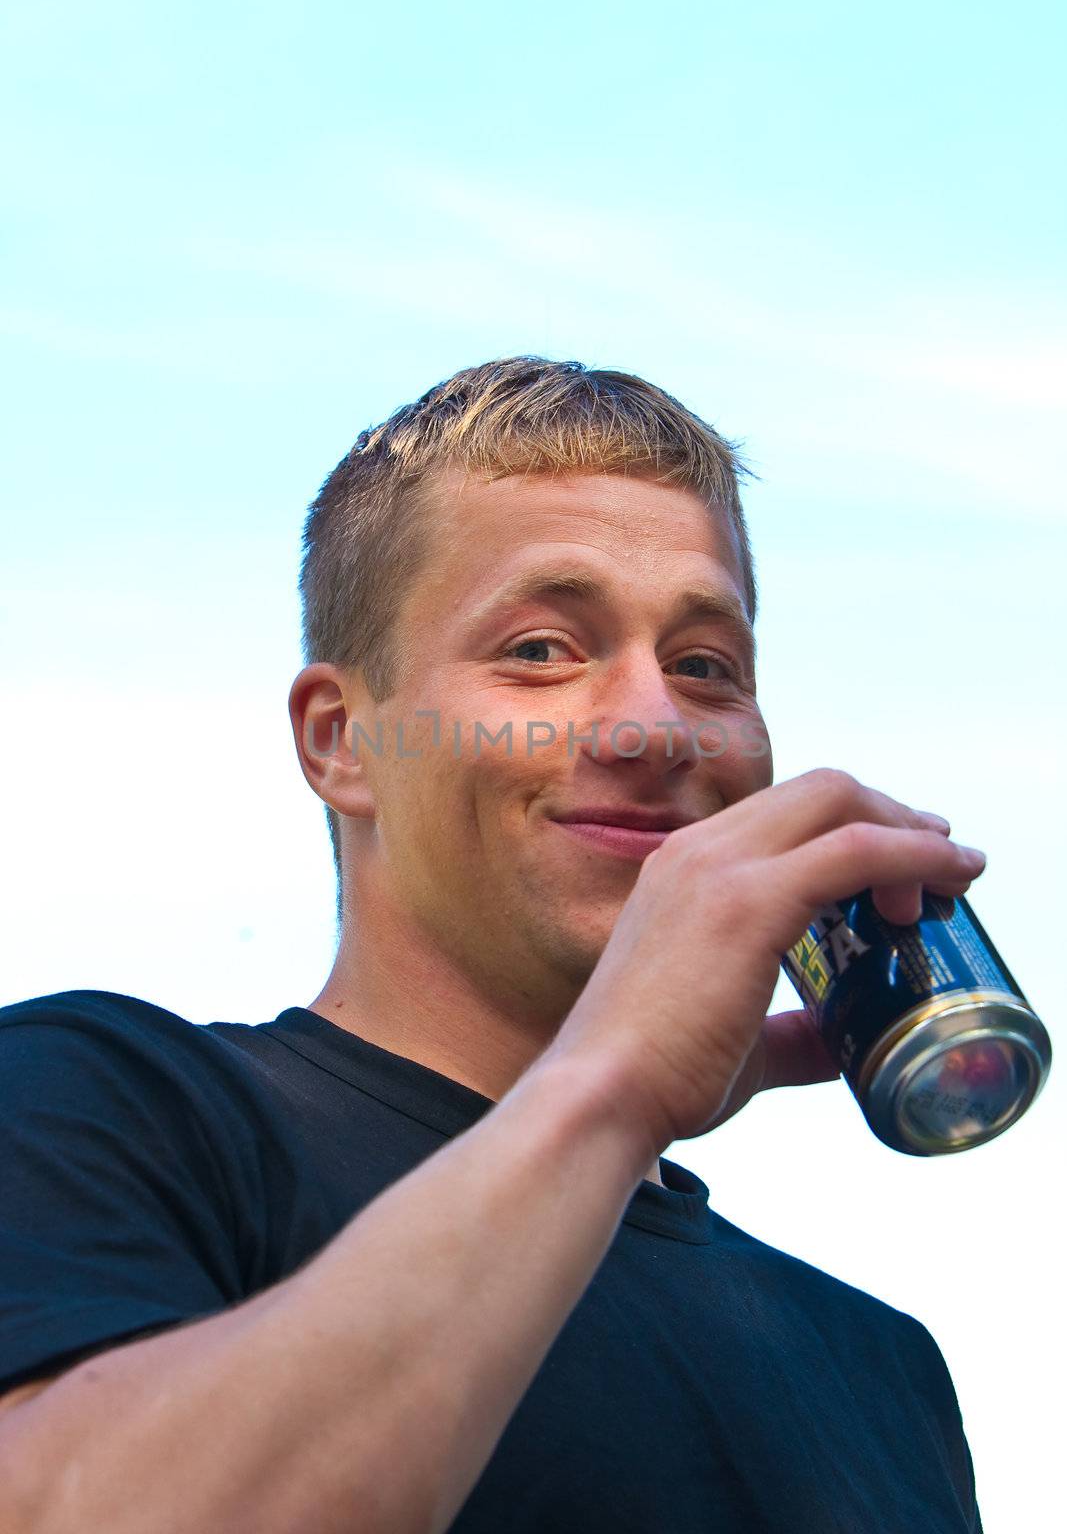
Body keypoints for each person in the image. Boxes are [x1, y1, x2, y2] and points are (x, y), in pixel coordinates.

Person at [0, 356, 986, 1533]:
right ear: (341, 741)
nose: (653, 723)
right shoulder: (97, 1101)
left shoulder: (880, 1366)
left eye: (704, 666)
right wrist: (617, 1085)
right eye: (538, 650)